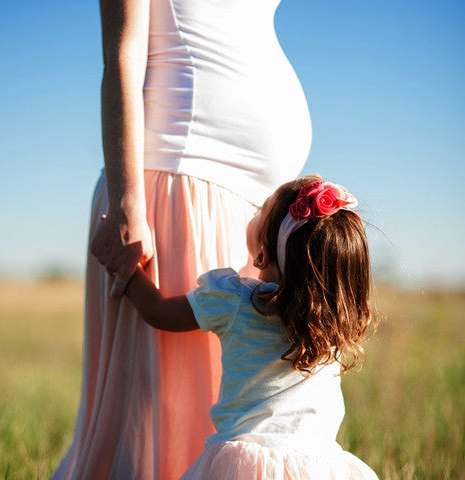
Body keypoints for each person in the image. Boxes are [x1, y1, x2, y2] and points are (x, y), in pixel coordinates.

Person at [51, 0, 311, 478]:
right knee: (159, 428)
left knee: (225, 414)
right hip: (174, 184)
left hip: (251, 213)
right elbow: (122, 54)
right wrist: (129, 199)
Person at [125, 176, 379, 479]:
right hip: (317, 464)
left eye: (262, 209)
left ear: (261, 254)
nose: (255, 212)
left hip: (245, 464)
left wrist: (126, 270)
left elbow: (158, 312)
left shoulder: (236, 300)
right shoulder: (334, 326)